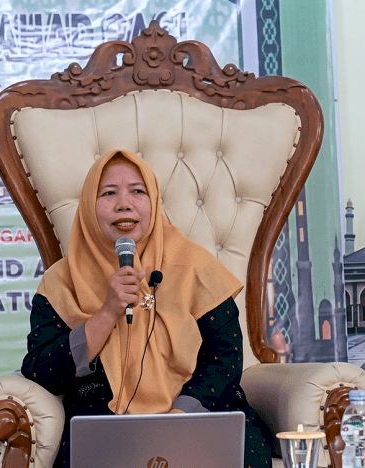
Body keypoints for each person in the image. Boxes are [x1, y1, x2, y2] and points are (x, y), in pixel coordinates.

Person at [21, 149, 274, 468]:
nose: (124, 204)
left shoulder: (195, 266)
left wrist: (179, 417)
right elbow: (41, 371)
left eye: (137, 191)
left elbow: (225, 356)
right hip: (106, 426)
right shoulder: (61, 282)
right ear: (88, 206)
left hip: (198, 414)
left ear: (153, 201)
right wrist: (106, 313)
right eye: (108, 193)